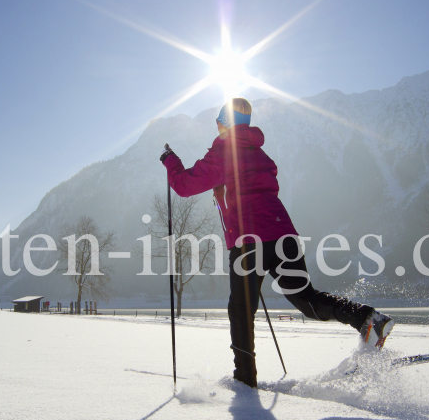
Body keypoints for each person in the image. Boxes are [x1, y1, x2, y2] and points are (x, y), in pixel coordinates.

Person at [161, 97, 393, 388]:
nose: (218, 130)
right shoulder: (257, 152)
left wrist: (171, 161)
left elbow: (183, 186)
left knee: (241, 310)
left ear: (225, 125)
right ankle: (366, 318)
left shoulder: (224, 150)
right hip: (283, 236)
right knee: (307, 299)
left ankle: (245, 381)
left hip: (249, 244)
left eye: (219, 124)